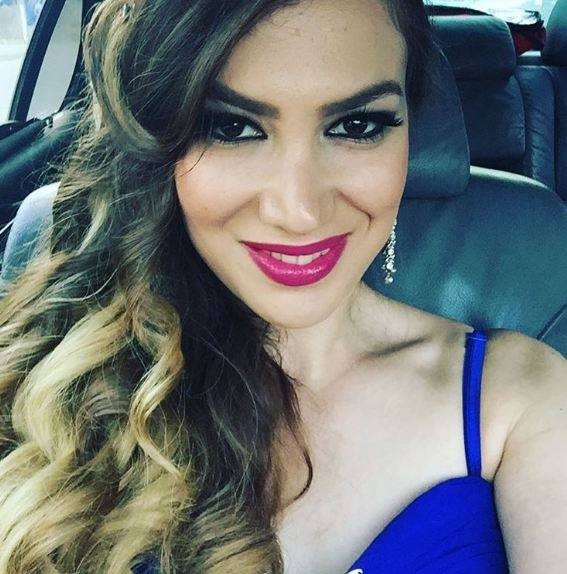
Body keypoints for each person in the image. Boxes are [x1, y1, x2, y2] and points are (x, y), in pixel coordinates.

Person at [0, 0, 565, 572]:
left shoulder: (520, 395)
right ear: (158, 147)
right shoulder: (50, 380)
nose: (299, 212)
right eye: (231, 127)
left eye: (357, 126)